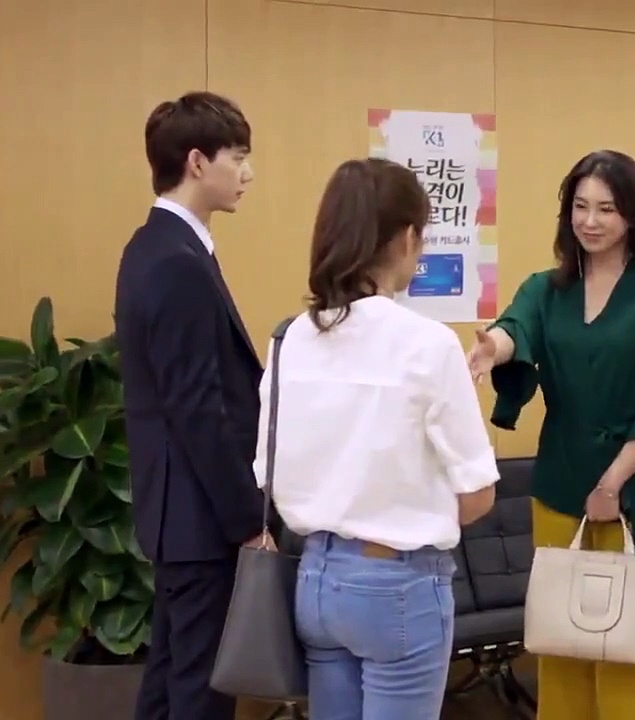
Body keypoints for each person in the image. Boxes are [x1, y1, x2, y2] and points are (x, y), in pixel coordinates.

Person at [466, 149, 635, 720]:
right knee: (562, 640)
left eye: (606, 208)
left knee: (630, 645)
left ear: (633, 216)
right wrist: (493, 347)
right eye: (580, 206)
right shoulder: (547, 288)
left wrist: (613, 482)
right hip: (560, 483)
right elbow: (516, 328)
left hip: (634, 486)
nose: (590, 220)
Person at [259, 158, 500, 719]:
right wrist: (411, 508)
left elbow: (267, 472)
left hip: (314, 579)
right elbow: (478, 494)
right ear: (409, 237)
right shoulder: (428, 344)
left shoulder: (289, 340)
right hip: (398, 584)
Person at [114, 91, 267, 720]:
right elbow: (198, 408)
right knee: (200, 693)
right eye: (238, 157)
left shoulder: (154, 246)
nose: (247, 173)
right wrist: (247, 521)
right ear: (198, 162)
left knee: (171, 681)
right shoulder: (176, 260)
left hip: (177, 516)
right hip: (200, 520)